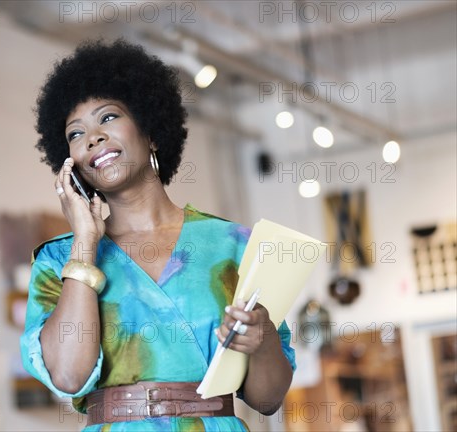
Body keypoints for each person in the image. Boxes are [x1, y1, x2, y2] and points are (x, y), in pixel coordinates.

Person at [21, 39, 296, 431]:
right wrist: (84, 242)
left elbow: (267, 400)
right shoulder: (57, 261)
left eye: (109, 117)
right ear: (70, 163)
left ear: (150, 132)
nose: (92, 137)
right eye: (75, 134)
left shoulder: (233, 244)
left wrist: (262, 336)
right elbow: (69, 377)